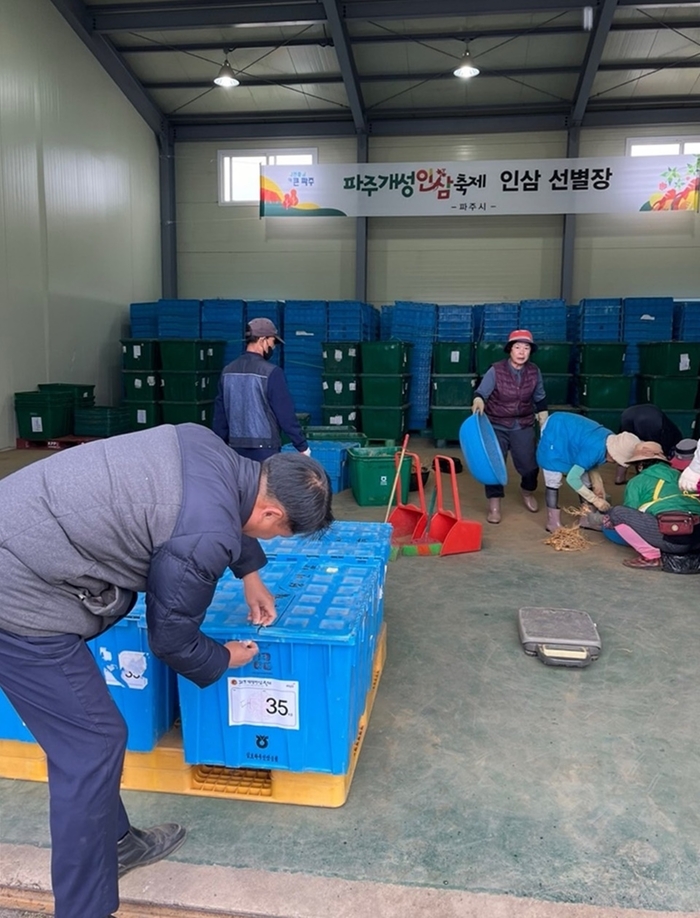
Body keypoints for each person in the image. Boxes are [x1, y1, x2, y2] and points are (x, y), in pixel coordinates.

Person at [0, 423, 333, 918]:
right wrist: (225, 659)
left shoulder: (206, 446)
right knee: (91, 746)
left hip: (21, 527)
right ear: (271, 512)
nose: (275, 538)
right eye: (281, 531)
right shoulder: (205, 535)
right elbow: (171, 638)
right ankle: (83, 909)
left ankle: (117, 844)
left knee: (89, 736)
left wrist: (251, 575)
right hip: (17, 592)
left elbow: (220, 512)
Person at [471, 329, 548, 524]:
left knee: (530, 466)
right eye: (517, 347)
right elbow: (481, 393)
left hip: (522, 424)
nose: (522, 352)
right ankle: (494, 505)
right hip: (496, 424)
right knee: (494, 465)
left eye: (526, 348)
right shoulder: (496, 370)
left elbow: (540, 398)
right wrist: (479, 402)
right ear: (510, 350)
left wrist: (544, 419)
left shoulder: (534, 371)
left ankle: (527, 491)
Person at [213, 317, 310, 462]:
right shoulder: (272, 373)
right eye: (273, 341)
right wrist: (302, 446)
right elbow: (285, 415)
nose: (274, 347)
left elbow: (220, 417)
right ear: (262, 340)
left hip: (234, 451)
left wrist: (217, 447)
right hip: (265, 450)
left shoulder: (227, 371)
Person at [536, 412, 641, 532]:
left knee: (586, 481)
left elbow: (591, 465)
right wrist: (595, 500)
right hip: (557, 430)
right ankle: (553, 522)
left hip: (574, 434)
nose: (616, 463)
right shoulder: (594, 449)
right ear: (614, 454)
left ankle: (586, 519)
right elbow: (572, 479)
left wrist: (598, 487)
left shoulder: (610, 439)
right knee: (553, 480)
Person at [607, 441, 700, 569]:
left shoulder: (637, 481)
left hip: (674, 539)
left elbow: (630, 510)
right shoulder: (680, 475)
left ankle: (652, 556)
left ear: (640, 465)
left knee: (617, 513)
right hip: (697, 539)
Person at [613, 404, 683, 484]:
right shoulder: (674, 436)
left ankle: (619, 477)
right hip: (652, 418)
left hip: (628, 414)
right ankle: (645, 476)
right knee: (652, 449)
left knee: (626, 444)